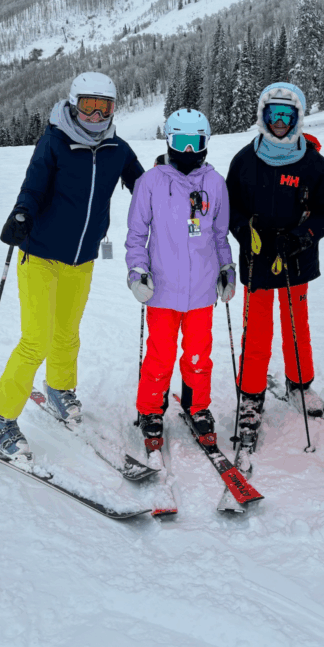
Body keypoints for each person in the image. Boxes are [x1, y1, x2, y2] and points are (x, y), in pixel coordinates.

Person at [0, 72, 144, 462]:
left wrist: (171, 180)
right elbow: (34, 187)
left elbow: (144, 185)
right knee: (35, 339)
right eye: (88, 105)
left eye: (103, 107)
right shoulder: (54, 141)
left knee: (67, 334)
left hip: (82, 259)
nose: (94, 114)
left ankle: (58, 389)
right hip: (39, 255)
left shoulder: (117, 149)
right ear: (73, 103)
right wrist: (21, 213)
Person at [226, 82, 324, 449]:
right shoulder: (244, 159)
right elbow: (231, 207)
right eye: (273, 114)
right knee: (256, 330)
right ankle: (251, 396)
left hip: (296, 257)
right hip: (257, 259)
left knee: (296, 326)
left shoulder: (313, 162)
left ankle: (300, 384)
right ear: (263, 116)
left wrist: (304, 235)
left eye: (286, 116)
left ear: (297, 119)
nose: (279, 122)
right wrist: (244, 230)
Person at [125, 108, 235, 452]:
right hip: (162, 290)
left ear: (205, 144)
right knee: (160, 355)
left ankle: (197, 406)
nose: (188, 151)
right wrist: (137, 272)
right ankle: (151, 410)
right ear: (170, 142)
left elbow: (220, 235)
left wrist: (226, 269)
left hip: (202, 290)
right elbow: (135, 235)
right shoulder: (151, 182)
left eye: (195, 143)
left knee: (199, 354)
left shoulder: (215, 183)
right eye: (182, 143)